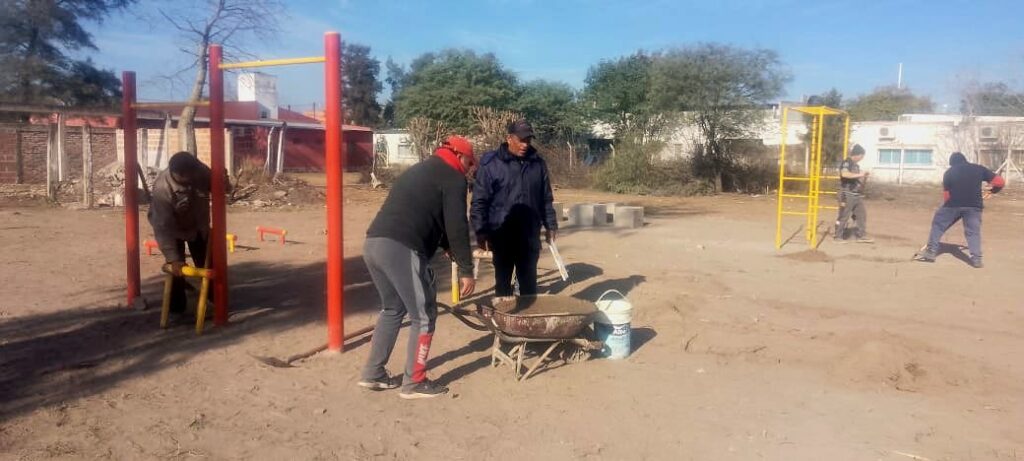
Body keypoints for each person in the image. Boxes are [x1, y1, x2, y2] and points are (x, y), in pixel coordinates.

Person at [359, 135, 477, 400]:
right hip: (401, 248)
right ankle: (414, 382)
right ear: (459, 156)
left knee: (393, 309)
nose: (470, 169)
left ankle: (373, 373)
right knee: (424, 315)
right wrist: (466, 269)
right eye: (470, 163)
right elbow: (457, 224)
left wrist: (446, 246)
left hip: (374, 243)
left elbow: (430, 214)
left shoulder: (422, 169)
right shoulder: (454, 177)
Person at [472, 120, 558, 297]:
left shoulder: (537, 164)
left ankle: (527, 312)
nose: (525, 144)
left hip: (529, 235)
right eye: (521, 140)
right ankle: (504, 312)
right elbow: (479, 201)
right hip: (502, 235)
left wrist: (551, 225)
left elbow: (546, 198)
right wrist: (481, 231)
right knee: (503, 285)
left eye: (528, 140)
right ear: (509, 138)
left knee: (529, 286)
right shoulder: (491, 165)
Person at [148, 151, 212, 319]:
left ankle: (214, 298)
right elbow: (162, 227)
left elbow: (221, 188)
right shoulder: (162, 189)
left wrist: (224, 182)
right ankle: (177, 308)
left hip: (197, 226)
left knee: (208, 263)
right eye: (189, 175)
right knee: (177, 269)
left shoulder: (200, 170)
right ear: (178, 173)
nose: (194, 177)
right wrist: (173, 258)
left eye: (195, 173)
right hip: (172, 229)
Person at [913, 152, 1004, 268]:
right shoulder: (979, 169)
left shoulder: (949, 172)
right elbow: (1000, 182)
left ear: (952, 163)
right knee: (973, 232)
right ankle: (976, 259)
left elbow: (947, 196)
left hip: (953, 205)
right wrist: (993, 191)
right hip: (974, 206)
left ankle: (931, 251)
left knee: (938, 224)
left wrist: (948, 212)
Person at [834, 144, 874, 243]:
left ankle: (861, 235)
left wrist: (864, 176)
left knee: (861, 214)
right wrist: (860, 174)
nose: (862, 158)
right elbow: (844, 174)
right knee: (844, 215)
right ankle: (837, 236)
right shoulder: (847, 163)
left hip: (855, 193)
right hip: (846, 192)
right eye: (862, 156)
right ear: (858, 154)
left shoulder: (856, 165)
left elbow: (856, 178)